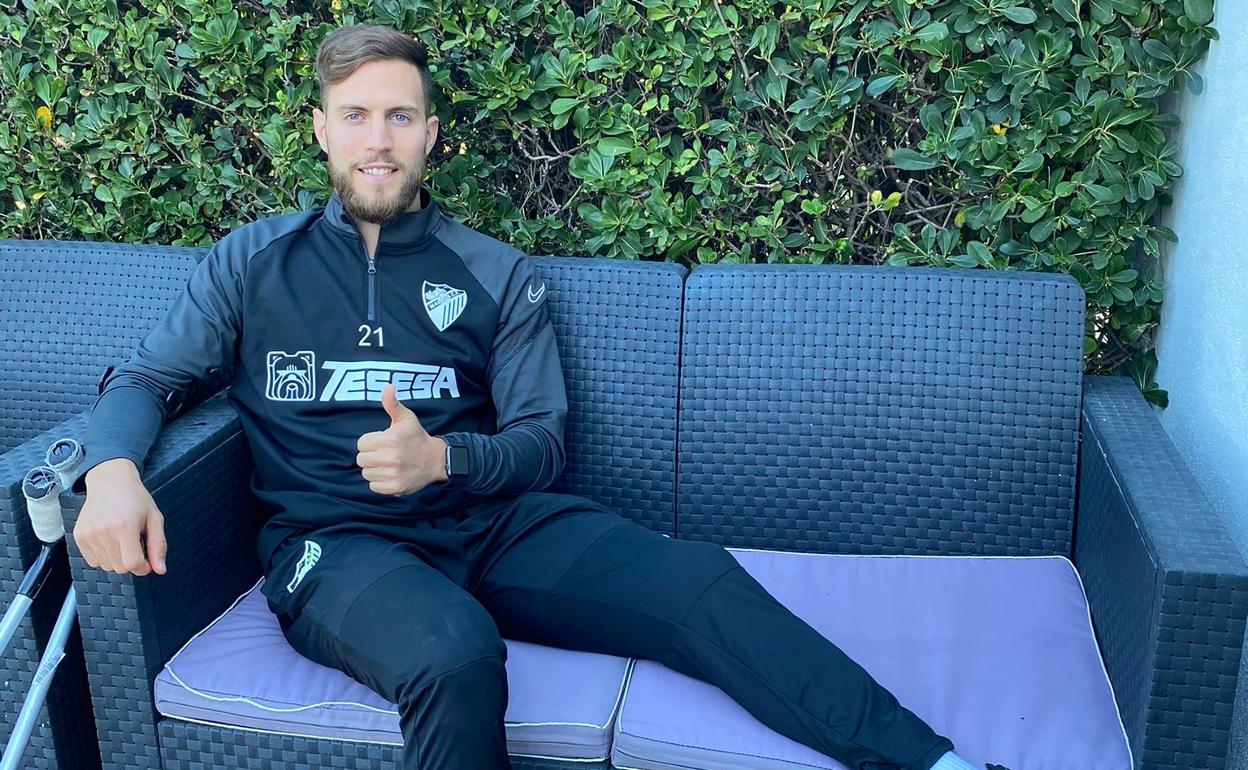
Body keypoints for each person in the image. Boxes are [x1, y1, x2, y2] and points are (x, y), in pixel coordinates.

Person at [72, 23, 992, 770]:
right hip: (336, 544)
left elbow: (542, 441)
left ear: (431, 135)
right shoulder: (253, 260)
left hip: (491, 522)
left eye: (400, 117)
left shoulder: (495, 272)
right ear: (320, 129)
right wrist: (111, 472)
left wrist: (444, 459)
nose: (378, 140)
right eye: (355, 116)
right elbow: (148, 378)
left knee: (700, 583)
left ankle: (935, 762)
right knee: (455, 654)